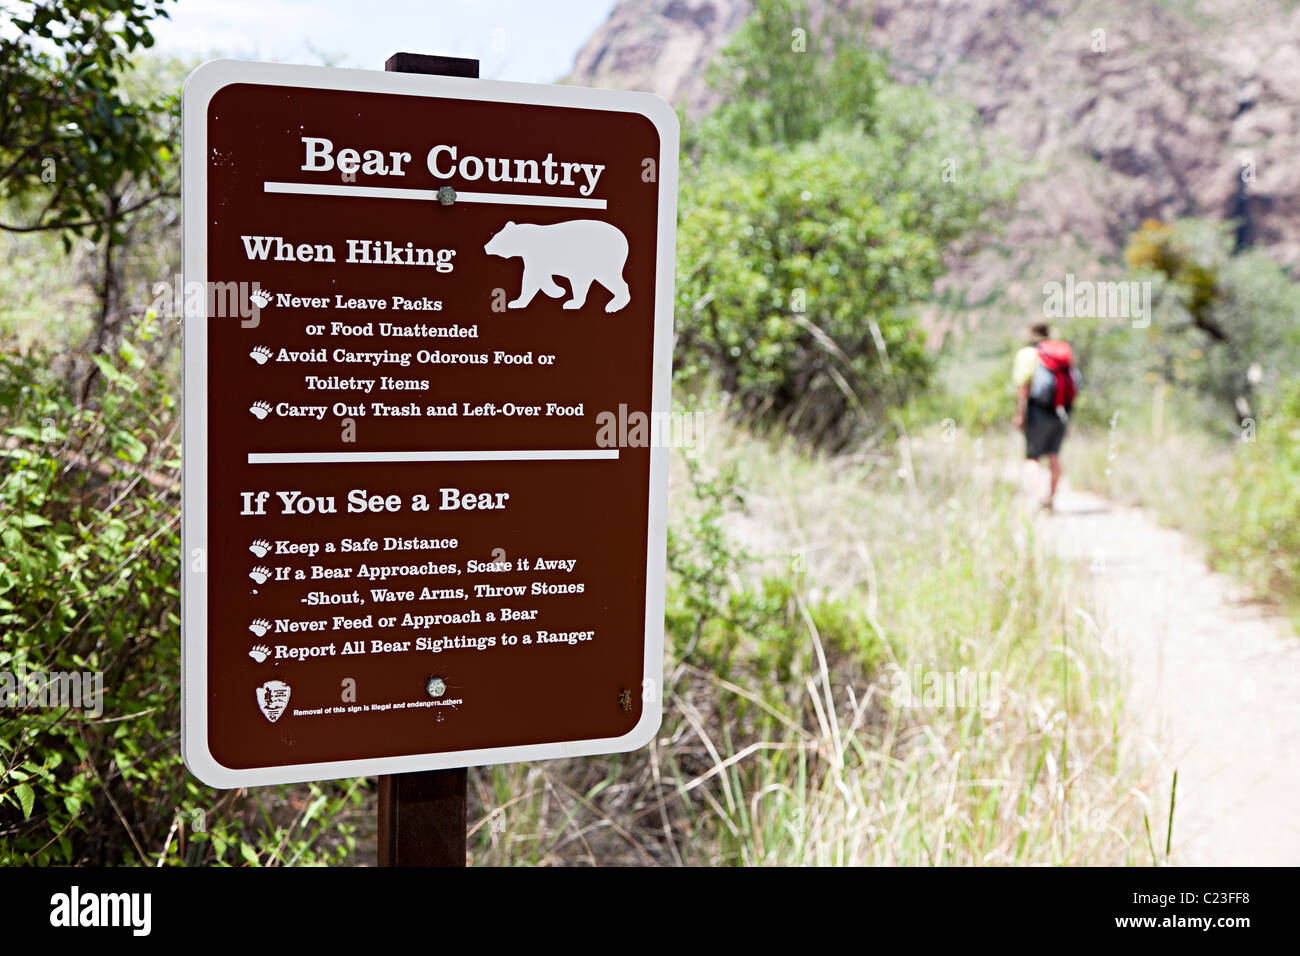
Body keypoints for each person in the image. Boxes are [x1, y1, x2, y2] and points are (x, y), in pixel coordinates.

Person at [1013, 322, 1078, 511]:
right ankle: (1051, 497)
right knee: (1054, 455)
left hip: (1038, 410)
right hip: (1062, 410)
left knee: (1032, 457)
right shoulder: (1062, 353)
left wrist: (1019, 414)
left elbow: (1023, 388)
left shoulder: (1027, 355)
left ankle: (1040, 496)